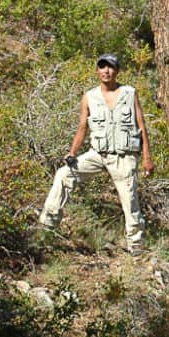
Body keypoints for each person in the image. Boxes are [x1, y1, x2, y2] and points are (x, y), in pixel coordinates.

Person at [38, 53, 155, 254]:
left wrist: (147, 158)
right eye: (102, 67)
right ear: (97, 71)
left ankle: (136, 248)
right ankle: (46, 228)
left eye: (110, 67)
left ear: (117, 71)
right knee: (64, 174)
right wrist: (72, 153)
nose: (106, 71)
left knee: (130, 201)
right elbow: (82, 127)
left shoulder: (129, 93)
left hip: (123, 157)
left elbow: (142, 126)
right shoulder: (89, 97)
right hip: (97, 154)